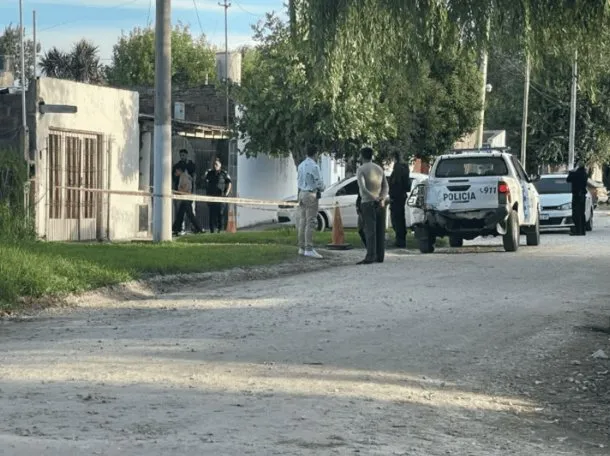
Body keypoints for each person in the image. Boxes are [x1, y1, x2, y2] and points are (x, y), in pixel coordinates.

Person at [356, 147, 389, 264]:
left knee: (369, 230)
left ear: (362, 156)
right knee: (380, 230)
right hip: (380, 203)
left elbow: (363, 188)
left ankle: (370, 256)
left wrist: (373, 197)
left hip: (367, 202)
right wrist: (382, 197)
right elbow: (386, 186)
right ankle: (380, 256)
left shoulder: (361, 169)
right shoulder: (379, 168)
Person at [296, 145, 325, 259]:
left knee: (302, 221)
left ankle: (301, 247)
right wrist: (322, 187)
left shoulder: (301, 165)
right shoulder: (314, 166)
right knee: (310, 221)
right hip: (311, 194)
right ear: (316, 153)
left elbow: (299, 180)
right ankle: (309, 248)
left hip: (301, 193)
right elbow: (319, 182)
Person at [388, 151, 411, 248]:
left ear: (394, 157)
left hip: (396, 197)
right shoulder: (405, 167)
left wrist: (392, 194)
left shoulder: (398, 168)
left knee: (396, 219)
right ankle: (401, 239)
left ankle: (400, 240)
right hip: (402, 196)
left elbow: (396, 182)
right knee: (400, 218)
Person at [172, 149, 197, 233]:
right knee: (180, 210)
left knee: (190, 210)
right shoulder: (177, 166)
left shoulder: (191, 165)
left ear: (187, 155)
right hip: (179, 191)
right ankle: (180, 227)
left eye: (183, 155)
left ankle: (193, 227)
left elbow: (194, 176)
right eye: (181, 155)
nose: (182, 157)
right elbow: (174, 178)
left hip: (189, 191)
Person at [204, 158, 232, 233]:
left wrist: (226, 193)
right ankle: (212, 230)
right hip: (212, 197)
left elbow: (229, 183)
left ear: (220, 165)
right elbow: (205, 181)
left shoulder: (224, 173)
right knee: (212, 214)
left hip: (221, 197)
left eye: (216, 164)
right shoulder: (210, 173)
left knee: (220, 213)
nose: (215, 166)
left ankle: (220, 230)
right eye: (214, 164)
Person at [172, 168, 203, 236]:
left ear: (179, 170)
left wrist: (178, 191)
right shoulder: (184, 176)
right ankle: (176, 228)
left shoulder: (184, 177)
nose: (175, 174)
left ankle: (199, 228)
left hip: (186, 198)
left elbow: (185, 188)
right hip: (185, 198)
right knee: (180, 214)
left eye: (176, 171)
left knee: (190, 214)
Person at [567, 161, 588, 236]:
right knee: (582, 213)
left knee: (576, 214)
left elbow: (568, 179)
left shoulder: (575, 173)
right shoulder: (584, 173)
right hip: (582, 195)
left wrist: (571, 171)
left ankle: (577, 231)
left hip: (577, 195)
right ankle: (582, 231)